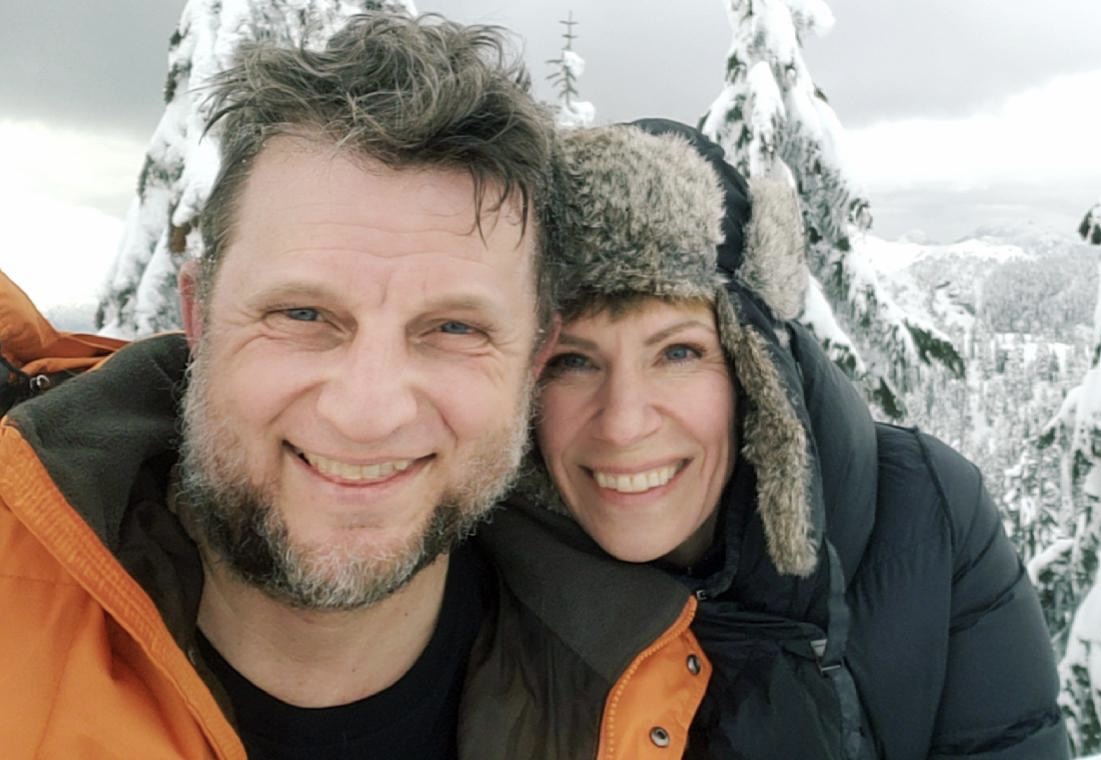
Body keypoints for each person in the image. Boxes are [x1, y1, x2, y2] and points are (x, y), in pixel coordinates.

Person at [0, 12, 566, 759]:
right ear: (199, 317)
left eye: (455, 328)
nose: (366, 413)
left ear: (534, 359)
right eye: (302, 314)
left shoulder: (638, 696)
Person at [511, 119, 1071, 758]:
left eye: (678, 353)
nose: (623, 422)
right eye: (572, 362)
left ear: (756, 371)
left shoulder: (929, 517)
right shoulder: (477, 567)